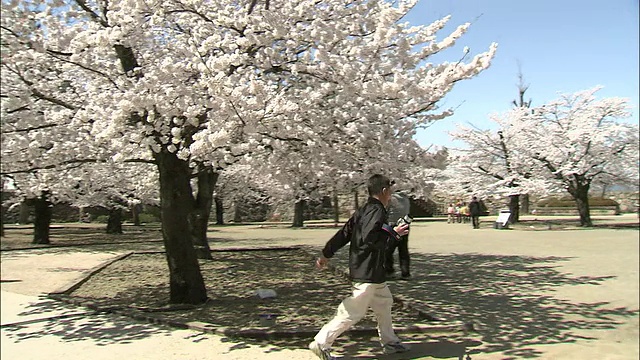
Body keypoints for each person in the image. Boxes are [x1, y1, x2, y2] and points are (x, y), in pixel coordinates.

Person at [309, 174, 411, 359]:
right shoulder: (377, 210)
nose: (391, 195)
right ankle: (321, 342)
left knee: (384, 302)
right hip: (368, 269)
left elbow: (345, 233)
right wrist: (394, 234)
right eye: (390, 191)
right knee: (354, 309)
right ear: (384, 191)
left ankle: (389, 341)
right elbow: (370, 238)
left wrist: (326, 253)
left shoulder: (364, 209)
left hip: (370, 268)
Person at [385, 191, 411, 280]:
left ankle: (389, 271)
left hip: (392, 224)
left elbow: (385, 210)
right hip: (405, 224)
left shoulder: (390, 198)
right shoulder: (406, 198)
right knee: (403, 249)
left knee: (388, 249)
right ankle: (405, 272)